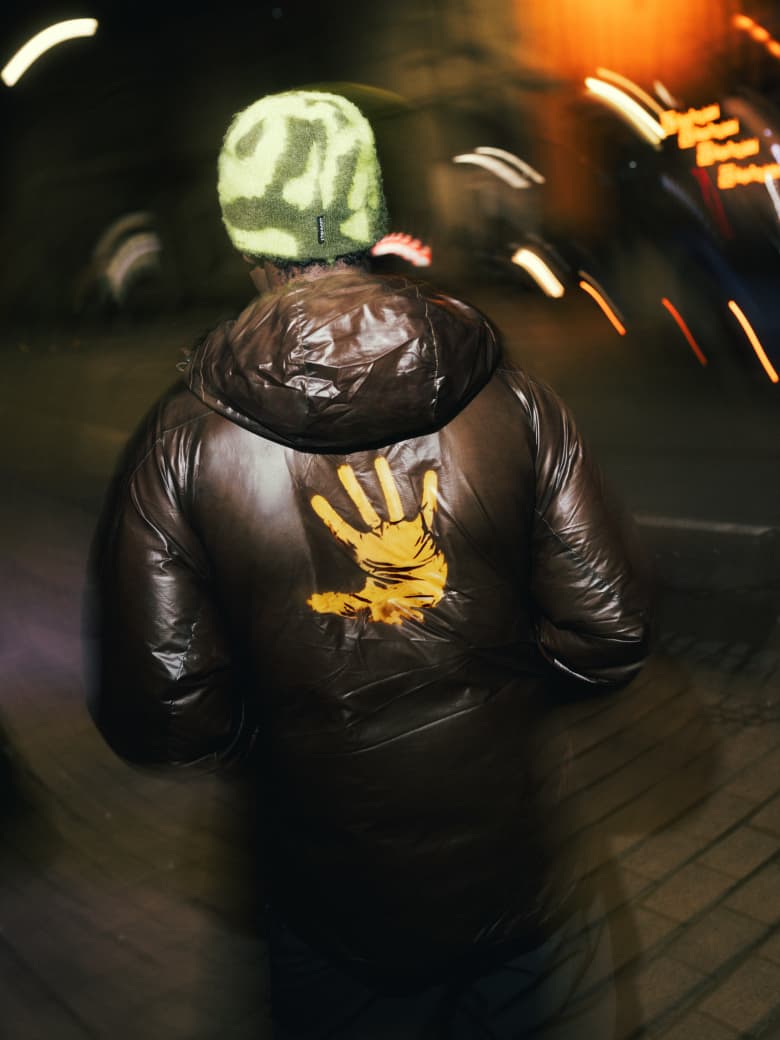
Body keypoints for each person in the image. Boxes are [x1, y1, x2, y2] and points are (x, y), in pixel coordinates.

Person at [86, 90, 651, 1038]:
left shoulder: (180, 445)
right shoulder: (510, 396)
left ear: (245, 236)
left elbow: (164, 717)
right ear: (371, 219)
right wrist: (489, 686)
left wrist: (290, 734)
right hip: (507, 874)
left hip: (325, 897)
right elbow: (610, 629)